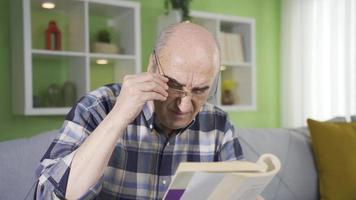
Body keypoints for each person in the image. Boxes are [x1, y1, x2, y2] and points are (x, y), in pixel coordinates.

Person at [35, 22, 244, 200]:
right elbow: (46, 194)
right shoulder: (98, 107)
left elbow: (241, 191)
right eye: (174, 86)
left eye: (200, 90)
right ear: (152, 66)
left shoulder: (218, 123)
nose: (185, 106)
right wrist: (118, 118)